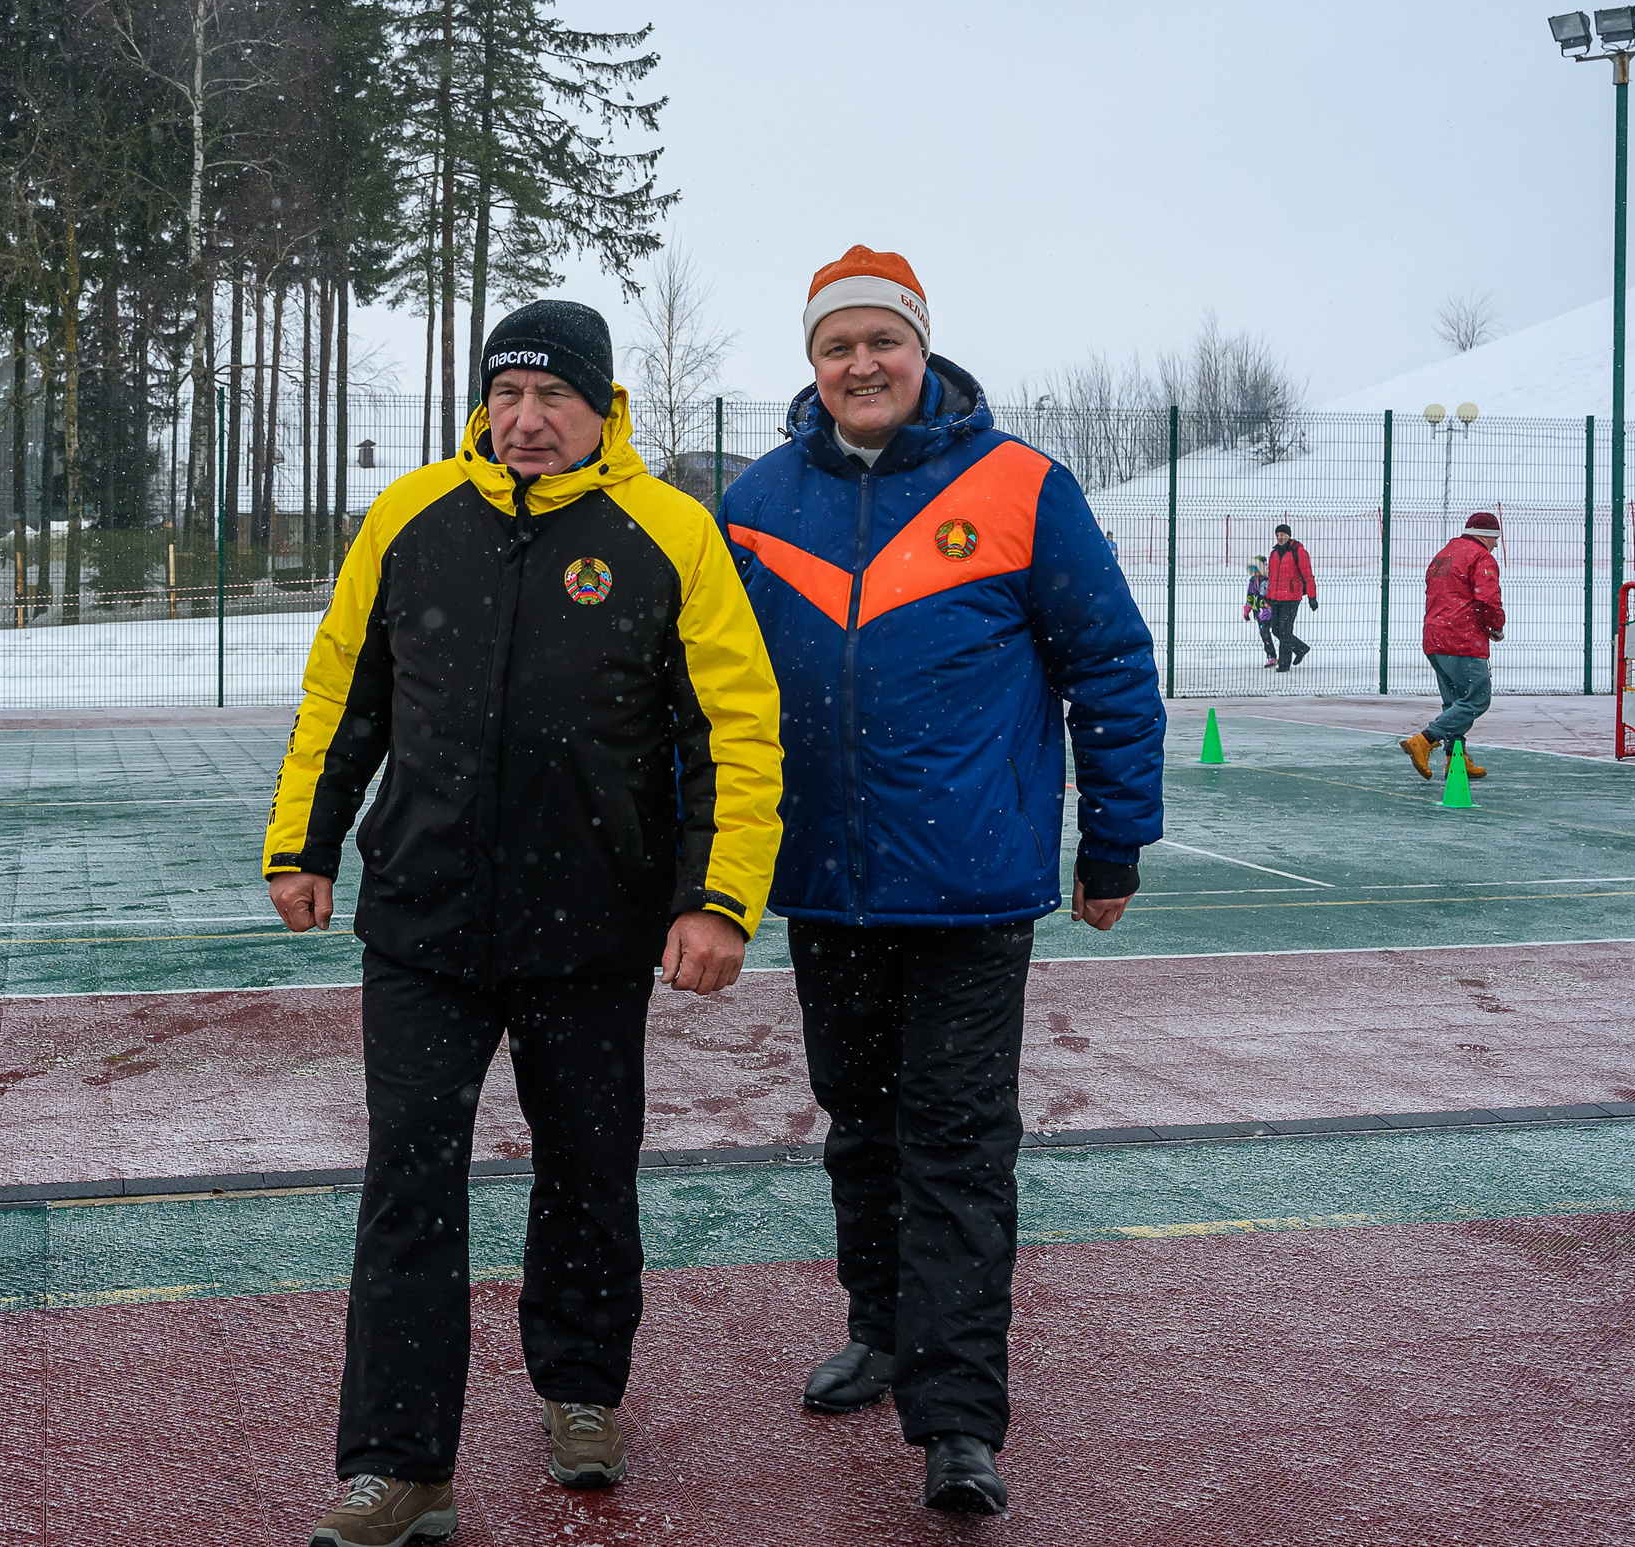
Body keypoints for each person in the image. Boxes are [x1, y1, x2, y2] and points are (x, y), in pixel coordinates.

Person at [264, 299, 786, 1547]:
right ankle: (397, 1467)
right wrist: (304, 841)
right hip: (424, 922)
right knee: (408, 1182)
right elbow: (345, 691)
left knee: (588, 1172)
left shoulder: (670, 533)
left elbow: (733, 729)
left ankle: (581, 1388)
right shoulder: (410, 518)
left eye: (553, 396)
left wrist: (717, 899)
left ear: (603, 409)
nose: (526, 419)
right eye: (506, 394)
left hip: (593, 926)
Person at [721, 246, 1165, 1516]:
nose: (861, 364)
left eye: (883, 340)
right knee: (859, 1125)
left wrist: (1114, 839)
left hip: (973, 888)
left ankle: (959, 1420)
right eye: (836, 345)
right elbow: (705, 693)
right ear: (811, 363)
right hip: (822, 884)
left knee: (958, 1144)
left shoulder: (1022, 487)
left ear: (923, 351)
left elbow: (1110, 664)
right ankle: (879, 1327)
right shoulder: (753, 505)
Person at [1399, 511, 1505, 781]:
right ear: (1486, 536)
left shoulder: (1445, 554)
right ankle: (1424, 740)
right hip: (1462, 639)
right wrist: (1496, 626)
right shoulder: (1480, 557)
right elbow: (1487, 598)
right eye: (1495, 539)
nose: (1496, 545)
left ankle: (1456, 758)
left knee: (1455, 703)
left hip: (1435, 637)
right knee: (1477, 699)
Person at [1265, 522, 1316, 671]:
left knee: (1285, 630)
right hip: (1276, 597)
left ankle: (1284, 664)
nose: (1280, 537)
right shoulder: (1274, 553)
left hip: (1291, 597)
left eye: (1283, 535)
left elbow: (1308, 575)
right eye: (1278, 535)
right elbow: (1271, 577)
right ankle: (1300, 648)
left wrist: (1312, 596)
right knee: (1275, 629)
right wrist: (1268, 596)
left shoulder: (1298, 551)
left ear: (1289, 535)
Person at [1245, 554, 1276, 668]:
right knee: (1264, 634)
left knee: (1277, 631)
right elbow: (1250, 594)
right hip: (1259, 613)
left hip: (1269, 612)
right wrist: (1247, 608)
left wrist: (1263, 603)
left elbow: (1265, 595)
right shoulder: (1253, 581)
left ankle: (1288, 651)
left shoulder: (1267, 581)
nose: (1254, 572)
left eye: (1256, 569)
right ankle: (1271, 656)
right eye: (1252, 569)